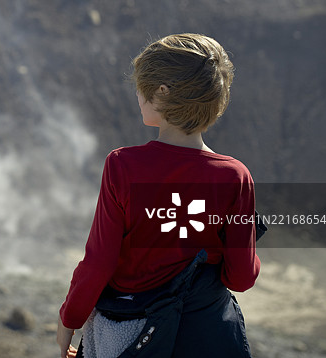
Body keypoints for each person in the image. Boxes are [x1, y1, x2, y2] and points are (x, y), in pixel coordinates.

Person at [57, 33, 261, 358]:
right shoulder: (235, 177)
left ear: (162, 93)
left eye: (142, 87)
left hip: (132, 337)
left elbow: (99, 262)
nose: (137, 94)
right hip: (205, 337)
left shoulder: (122, 165)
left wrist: (70, 318)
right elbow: (241, 277)